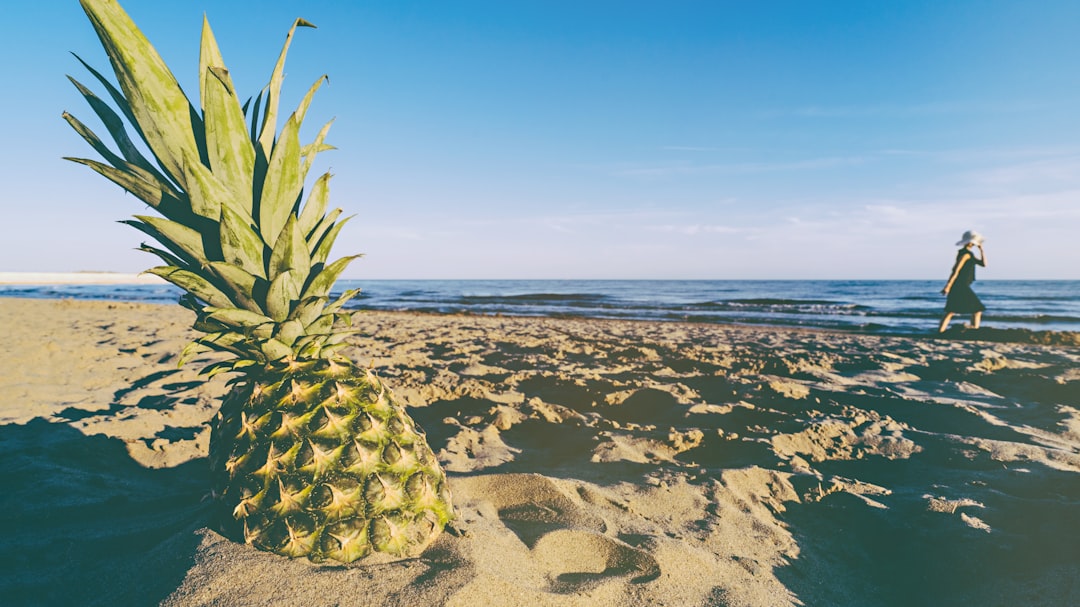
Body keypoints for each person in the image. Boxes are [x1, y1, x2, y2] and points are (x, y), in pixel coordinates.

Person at [938, 230, 987, 333]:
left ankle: (940, 331)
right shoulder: (966, 254)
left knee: (951, 310)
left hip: (961, 284)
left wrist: (981, 250)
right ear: (971, 242)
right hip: (960, 285)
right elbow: (956, 270)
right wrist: (948, 286)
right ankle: (974, 331)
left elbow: (983, 264)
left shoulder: (969, 254)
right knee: (977, 309)